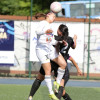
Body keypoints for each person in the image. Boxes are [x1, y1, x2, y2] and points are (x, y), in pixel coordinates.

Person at [28, 23, 82, 100]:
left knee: (39, 79)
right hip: (61, 64)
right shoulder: (70, 39)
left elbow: (48, 42)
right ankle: (56, 85)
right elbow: (74, 47)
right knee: (60, 89)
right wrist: (75, 39)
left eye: (58, 29)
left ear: (60, 32)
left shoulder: (56, 38)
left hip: (52, 60)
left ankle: (30, 97)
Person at [32, 12, 68, 100]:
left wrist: (60, 42)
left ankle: (57, 82)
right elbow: (37, 31)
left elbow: (50, 41)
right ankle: (51, 93)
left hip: (49, 50)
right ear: (48, 15)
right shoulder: (43, 23)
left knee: (63, 64)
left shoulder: (49, 26)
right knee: (47, 71)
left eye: (55, 17)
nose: (54, 18)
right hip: (41, 50)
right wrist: (45, 31)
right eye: (53, 16)